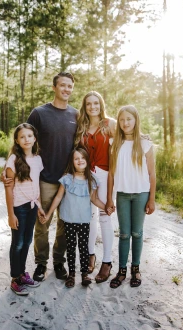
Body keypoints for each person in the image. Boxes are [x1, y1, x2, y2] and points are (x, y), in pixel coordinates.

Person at [27, 72, 78, 282]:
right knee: (42, 224)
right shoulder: (39, 113)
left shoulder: (76, 115)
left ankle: (59, 262)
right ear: (54, 87)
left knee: (65, 225)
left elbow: (100, 122)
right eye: (63, 85)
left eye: (70, 86)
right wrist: (12, 167)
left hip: (68, 181)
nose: (66, 89)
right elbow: (24, 140)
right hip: (45, 179)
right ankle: (41, 264)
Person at [39, 148, 113, 288]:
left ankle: (84, 274)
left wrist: (106, 208)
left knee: (84, 248)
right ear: (72, 162)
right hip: (69, 220)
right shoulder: (67, 179)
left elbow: (94, 199)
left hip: (84, 220)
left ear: (87, 160)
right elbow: (58, 197)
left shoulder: (92, 180)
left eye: (82, 158)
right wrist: (48, 213)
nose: (80, 160)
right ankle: (72, 274)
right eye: (76, 158)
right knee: (71, 248)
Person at [106, 105, 156, 289]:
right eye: (122, 119)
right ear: (118, 122)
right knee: (124, 234)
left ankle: (136, 268)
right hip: (123, 195)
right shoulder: (114, 144)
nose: (125, 123)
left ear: (136, 120)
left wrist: (151, 199)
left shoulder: (145, 144)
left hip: (141, 194)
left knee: (137, 232)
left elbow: (152, 174)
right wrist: (110, 198)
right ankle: (121, 270)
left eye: (129, 119)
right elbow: (111, 173)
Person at [74, 91, 116, 283]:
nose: (92, 107)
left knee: (105, 217)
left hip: (105, 174)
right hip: (86, 176)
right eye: (89, 104)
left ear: (101, 104)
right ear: (85, 106)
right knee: (88, 218)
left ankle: (107, 262)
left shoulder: (110, 124)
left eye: (96, 103)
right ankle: (90, 255)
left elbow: (131, 134)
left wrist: (144, 136)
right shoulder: (80, 127)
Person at [4, 123, 45, 296]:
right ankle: (15, 278)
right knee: (18, 243)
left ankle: (22, 274)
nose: (26, 139)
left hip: (32, 206)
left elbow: (37, 185)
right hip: (19, 208)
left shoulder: (37, 159)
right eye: (22, 137)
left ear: (34, 138)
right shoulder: (13, 160)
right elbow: (8, 188)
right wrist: (11, 214)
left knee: (27, 241)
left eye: (29, 136)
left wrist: (40, 206)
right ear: (17, 140)